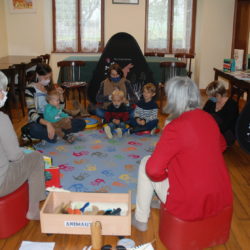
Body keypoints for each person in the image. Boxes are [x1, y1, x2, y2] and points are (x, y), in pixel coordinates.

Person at [132, 76, 233, 232]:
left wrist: (165, 174)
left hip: (189, 202)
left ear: (173, 99)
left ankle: (140, 218)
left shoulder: (174, 126)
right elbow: (222, 145)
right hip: (219, 198)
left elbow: (153, 170)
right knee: (177, 162)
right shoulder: (209, 118)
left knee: (147, 162)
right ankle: (160, 199)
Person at [0, 71, 45, 220]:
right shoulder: (2, 119)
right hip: (2, 183)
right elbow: (15, 156)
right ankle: (34, 211)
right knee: (36, 158)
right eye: (4, 90)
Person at [24, 63, 86, 143]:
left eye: (49, 77)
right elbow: (32, 113)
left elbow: (59, 108)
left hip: (55, 119)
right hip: (40, 121)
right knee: (35, 129)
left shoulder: (49, 88)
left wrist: (61, 96)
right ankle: (58, 134)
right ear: (37, 75)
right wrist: (48, 124)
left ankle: (56, 134)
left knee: (81, 123)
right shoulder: (30, 89)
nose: (48, 80)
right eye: (45, 77)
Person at [203, 80, 239, 146]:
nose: (209, 98)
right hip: (213, 130)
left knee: (213, 117)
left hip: (227, 133)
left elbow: (226, 126)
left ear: (219, 95)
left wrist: (209, 131)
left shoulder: (232, 105)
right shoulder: (210, 102)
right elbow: (203, 116)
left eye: (211, 96)